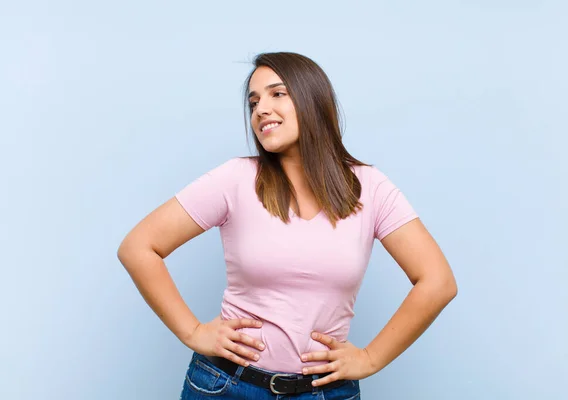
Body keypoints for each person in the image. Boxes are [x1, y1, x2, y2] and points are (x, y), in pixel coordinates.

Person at [117, 51, 458, 399]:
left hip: (325, 393)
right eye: (253, 102)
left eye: (277, 93)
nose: (261, 109)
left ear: (312, 100)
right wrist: (192, 332)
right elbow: (138, 247)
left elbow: (438, 282)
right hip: (226, 387)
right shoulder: (235, 179)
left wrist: (370, 358)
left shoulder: (371, 188)